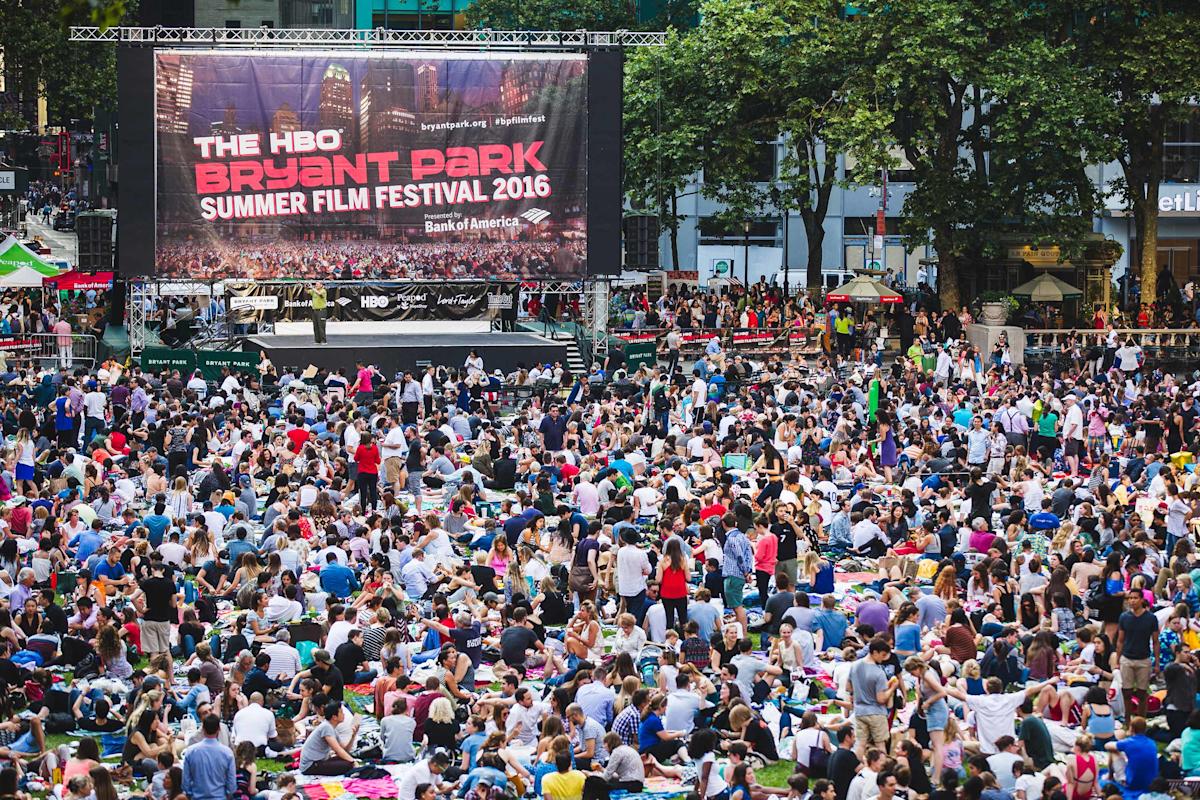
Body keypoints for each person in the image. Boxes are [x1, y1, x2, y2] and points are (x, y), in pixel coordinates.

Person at [181, 714, 236, 800]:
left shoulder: (191, 752)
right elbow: (232, 784)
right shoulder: (227, 753)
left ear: (203, 729)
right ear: (219, 729)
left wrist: (190, 794)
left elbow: (185, 782)